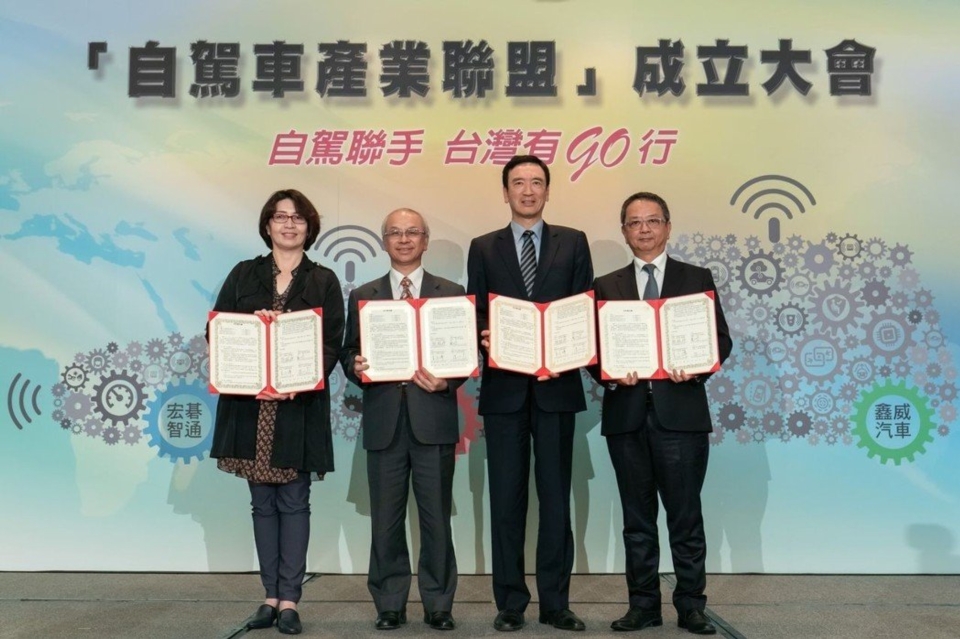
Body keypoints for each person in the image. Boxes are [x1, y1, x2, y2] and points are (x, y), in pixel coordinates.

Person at [592, 192, 732, 635]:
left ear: (668, 227)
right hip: (627, 416)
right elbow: (592, 351)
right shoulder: (605, 285)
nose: (645, 229)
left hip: (681, 416)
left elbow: (720, 340)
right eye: (635, 223)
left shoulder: (696, 278)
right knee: (636, 521)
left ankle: (691, 606)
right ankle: (643, 606)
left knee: (685, 517)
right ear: (624, 232)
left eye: (653, 221)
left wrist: (695, 368)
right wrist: (611, 374)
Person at [466, 155, 593, 632]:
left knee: (557, 499)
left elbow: (585, 309)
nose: (527, 190)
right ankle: (511, 603)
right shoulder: (483, 247)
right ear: (505, 192)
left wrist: (565, 350)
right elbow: (477, 310)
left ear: (547, 191)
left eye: (536, 182)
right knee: (507, 499)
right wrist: (484, 335)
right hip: (504, 391)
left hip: (557, 388)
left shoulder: (573, 242)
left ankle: (556, 603)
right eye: (518, 182)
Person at [210, 189, 345, 636]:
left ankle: (290, 599)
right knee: (261, 505)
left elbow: (331, 343)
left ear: (310, 227)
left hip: (297, 407)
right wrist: (254, 330)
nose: (289, 225)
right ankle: (269, 596)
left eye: (298, 218)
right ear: (267, 225)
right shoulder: (243, 274)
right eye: (280, 217)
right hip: (249, 406)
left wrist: (300, 378)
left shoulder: (322, 279)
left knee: (295, 501)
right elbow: (218, 331)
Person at [341, 208, 465, 632]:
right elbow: (347, 352)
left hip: (433, 419)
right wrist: (355, 364)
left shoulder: (451, 291)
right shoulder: (364, 294)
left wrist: (446, 380)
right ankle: (389, 603)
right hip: (384, 422)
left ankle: (439, 604)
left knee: (435, 519)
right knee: (386, 520)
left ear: (426, 240)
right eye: (395, 232)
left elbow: (464, 356)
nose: (404, 239)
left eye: (413, 232)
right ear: (383, 241)